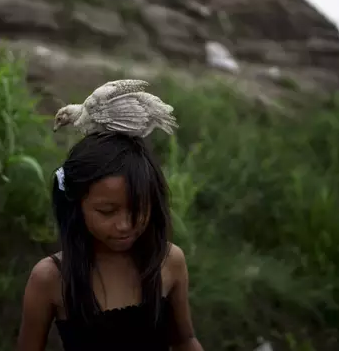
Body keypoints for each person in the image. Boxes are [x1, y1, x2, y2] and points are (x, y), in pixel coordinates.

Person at [16, 132, 204, 351]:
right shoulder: (50, 278)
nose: (124, 225)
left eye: (137, 208)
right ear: (76, 206)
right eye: (107, 212)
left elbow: (185, 340)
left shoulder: (168, 261)